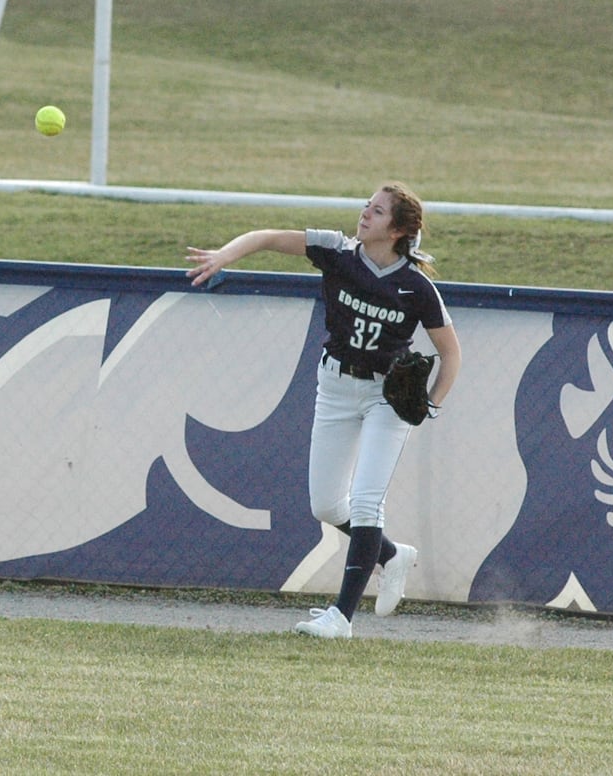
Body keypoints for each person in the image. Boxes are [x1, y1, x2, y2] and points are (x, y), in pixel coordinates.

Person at [186, 182, 462, 639]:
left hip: (385, 398)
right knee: (326, 504)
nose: (365, 214)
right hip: (334, 387)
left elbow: (451, 354)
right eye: (367, 206)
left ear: (396, 230)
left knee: (367, 500)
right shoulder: (338, 251)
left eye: (377, 211)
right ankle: (391, 556)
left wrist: (431, 406)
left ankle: (342, 617)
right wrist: (225, 255)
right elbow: (268, 237)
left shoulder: (417, 287)